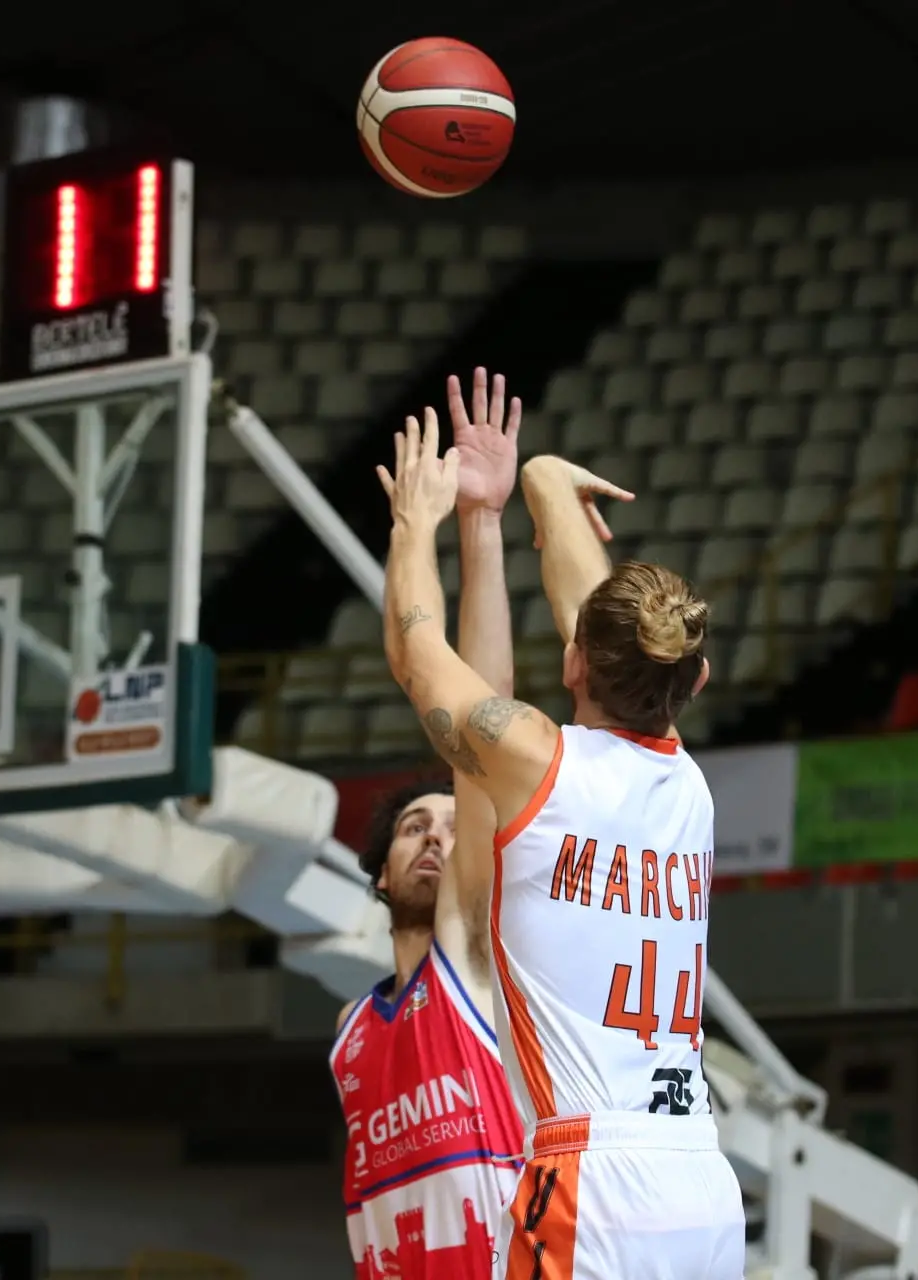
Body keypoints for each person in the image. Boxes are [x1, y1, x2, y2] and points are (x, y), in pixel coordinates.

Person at [377, 410, 746, 1279]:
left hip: (591, 1178)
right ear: (694, 679)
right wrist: (541, 483)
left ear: (574, 664)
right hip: (702, 1176)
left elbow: (412, 647)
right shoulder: (686, 788)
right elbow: (608, 629)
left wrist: (416, 523)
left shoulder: (533, 759)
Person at [328, 370, 526, 1280]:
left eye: (452, 822)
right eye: (414, 826)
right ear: (378, 872)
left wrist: (478, 527)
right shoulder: (349, 1034)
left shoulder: (471, 957)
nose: (439, 836)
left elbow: (480, 721)